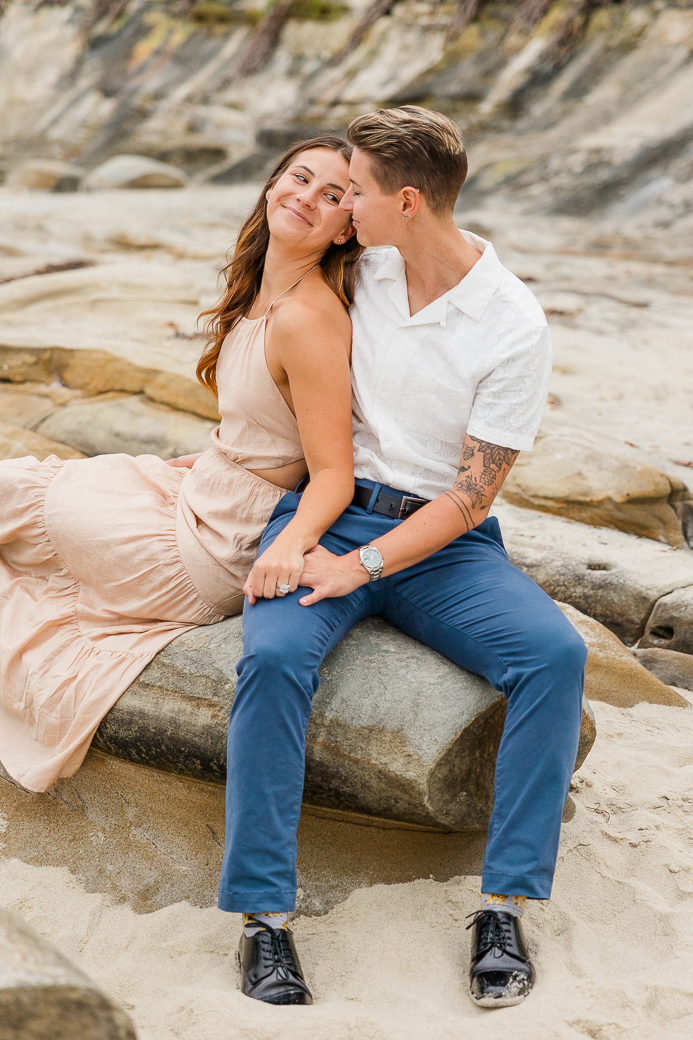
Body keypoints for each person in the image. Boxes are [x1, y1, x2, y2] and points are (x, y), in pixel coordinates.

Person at [224, 107, 588, 1010]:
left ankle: (502, 906)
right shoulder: (362, 269)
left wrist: (362, 569)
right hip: (327, 512)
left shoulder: (511, 324)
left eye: (355, 191)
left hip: (442, 545)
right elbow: (268, 313)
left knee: (555, 656)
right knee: (269, 658)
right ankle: (263, 923)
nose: (341, 204)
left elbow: (470, 497)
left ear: (407, 202)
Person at [0, 136, 361, 795]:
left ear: (346, 228)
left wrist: (290, 545)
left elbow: (334, 470)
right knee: (22, 488)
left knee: (13, 489)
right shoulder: (260, 288)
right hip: (193, 488)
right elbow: (264, 427)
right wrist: (206, 458)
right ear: (271, 183)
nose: (307, 198)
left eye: (332, 196)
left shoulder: (308, 318)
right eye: (299, 178)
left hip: (206, 544)